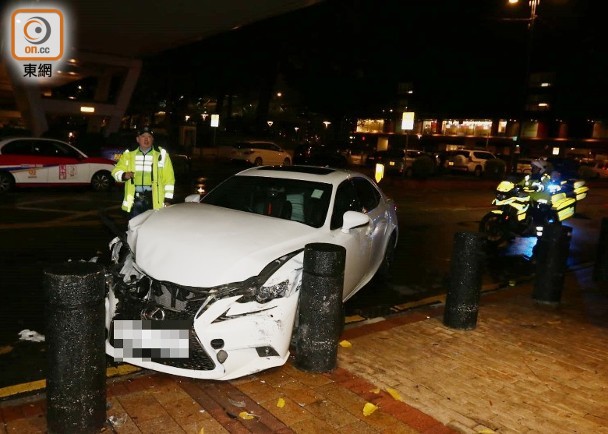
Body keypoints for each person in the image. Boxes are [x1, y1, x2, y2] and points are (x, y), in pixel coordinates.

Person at [112, 127, 175, 218]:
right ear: (138, 139)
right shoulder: (129, 154)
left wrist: (168, 199)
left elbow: (169, 179)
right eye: (143, 136)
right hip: (134, 200)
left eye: (149, 136)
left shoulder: (161, 155)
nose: (146, 139)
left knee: (152, 229)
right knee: (134, 228)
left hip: (154, 200)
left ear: (152, 139)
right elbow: (116, 171)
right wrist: (123, 175)